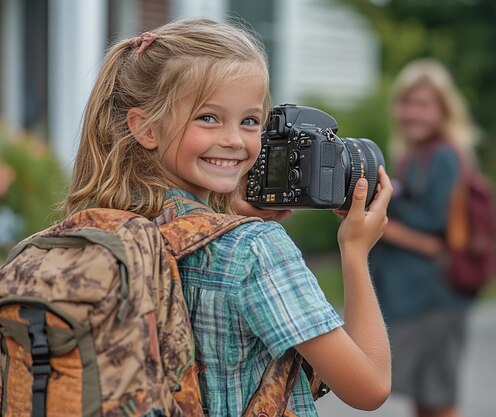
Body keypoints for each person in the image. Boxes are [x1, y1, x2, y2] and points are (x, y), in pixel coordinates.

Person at [62, 18, 392, 416]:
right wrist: (354, 250)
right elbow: (370, 386)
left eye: (250, 121)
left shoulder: (100, 225)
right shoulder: (254, 251)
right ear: (145, 127)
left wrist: (227, 214)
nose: (235, 140)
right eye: (208, 118)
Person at [370, 59, 479, 417]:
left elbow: (436, 231)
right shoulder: (415, 156)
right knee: (423, 398)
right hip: (415, 297)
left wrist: (381, 221)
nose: (411, 112)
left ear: (443, 110)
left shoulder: (444, 156)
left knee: (439, 401)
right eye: (406, 102)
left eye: (422, 104)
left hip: (435, 297)